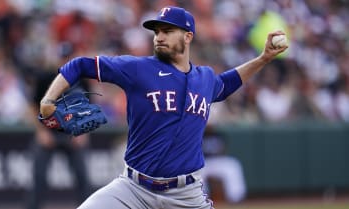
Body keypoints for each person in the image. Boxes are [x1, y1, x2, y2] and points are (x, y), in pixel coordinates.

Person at [39, 6, 287, 209]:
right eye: (157, 31)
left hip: (185, 196)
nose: (159, 36)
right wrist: (48, 100)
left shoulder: (205, 78)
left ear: (188, 36)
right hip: (132, 189)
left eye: (167, 31)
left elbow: (227, 83)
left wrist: (263, 58)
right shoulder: (137, 68)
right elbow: (80, 65)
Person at [26, 43, 92, 209]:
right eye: (63, 58)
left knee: (82, 177)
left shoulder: (82, 80)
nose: (66, 62)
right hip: (49, 131)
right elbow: (32, 107)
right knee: (39, 177)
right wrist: (41, 131)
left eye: (69, 58)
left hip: (73, 133)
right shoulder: (46, 77)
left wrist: (84, 132)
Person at [201, 126, 246, 204]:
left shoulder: (219, 135)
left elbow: (223, 150)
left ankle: (236, 197)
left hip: (219, 161)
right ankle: (201, 199)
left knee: (233, 165)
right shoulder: (198, 135)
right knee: (198, 172)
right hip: (204, 162)